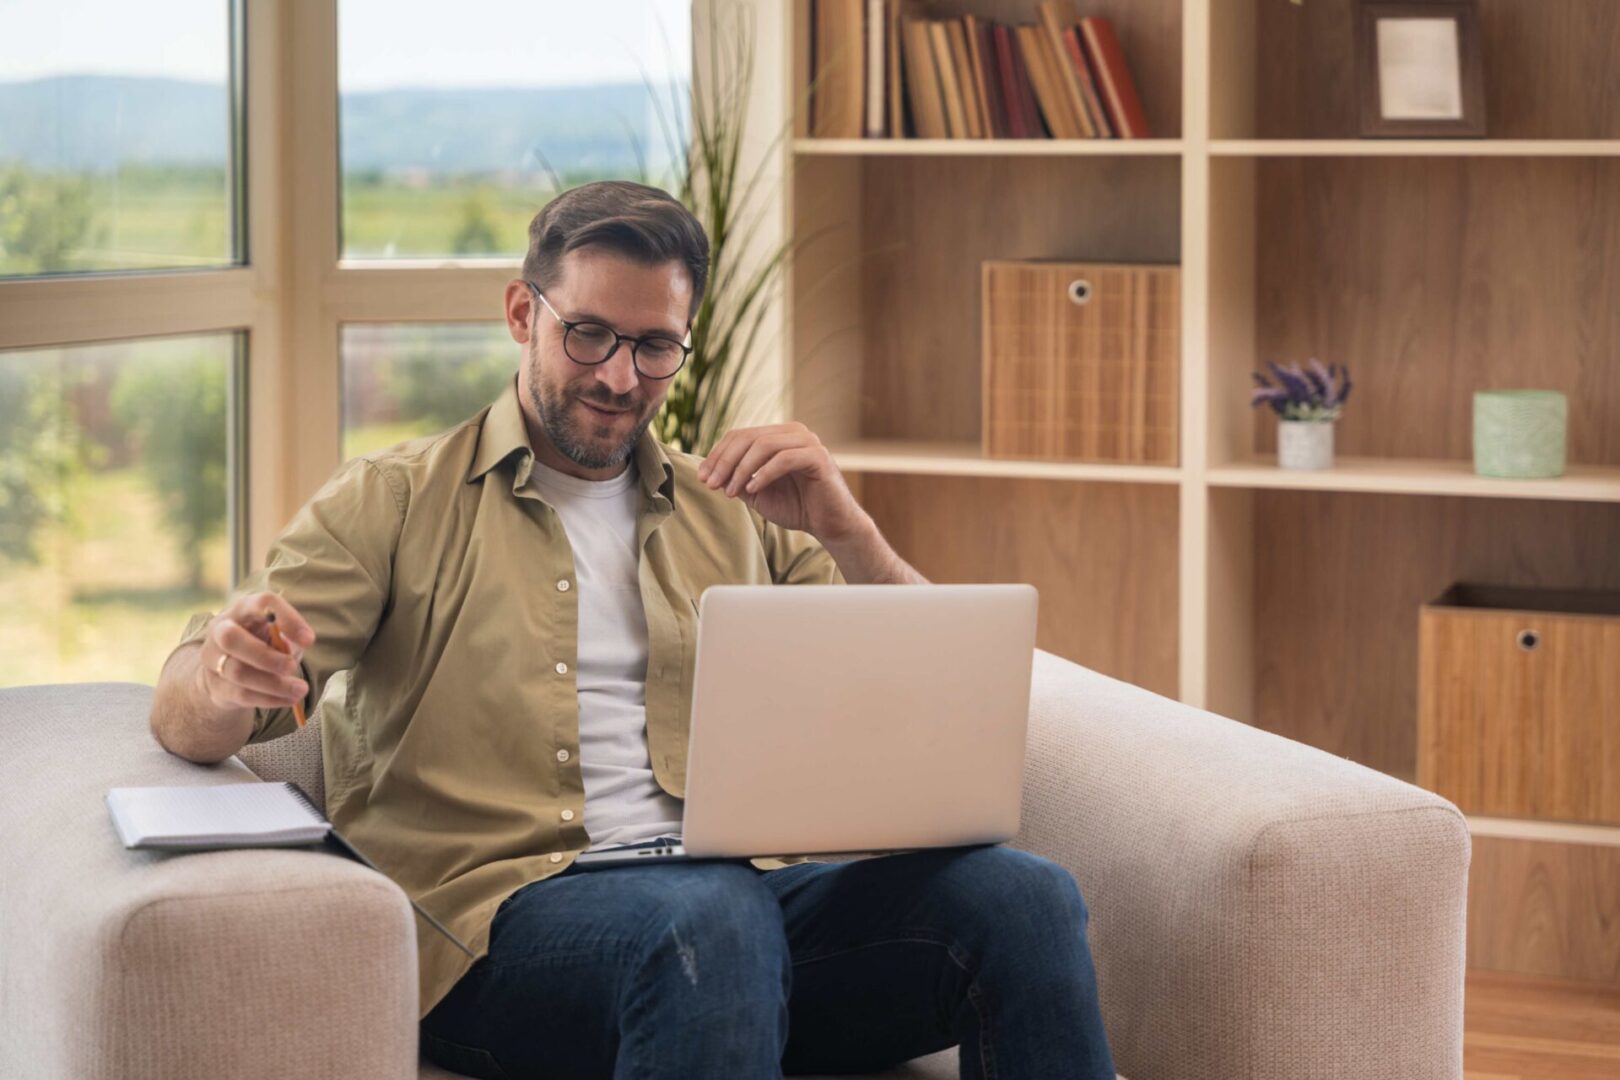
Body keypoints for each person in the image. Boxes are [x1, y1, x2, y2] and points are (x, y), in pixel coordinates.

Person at [148, 180, 1116, 1080]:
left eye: (654, 346)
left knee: (1020, 899)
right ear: (522, 313)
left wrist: (846, 529)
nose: (620, 376)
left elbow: (933, 695)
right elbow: (194, 715)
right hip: (496, 936)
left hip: (742, 920)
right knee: (708, 916)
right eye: (589, 335)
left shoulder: (736, 510)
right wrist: (222, 680)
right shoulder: (394, 501)